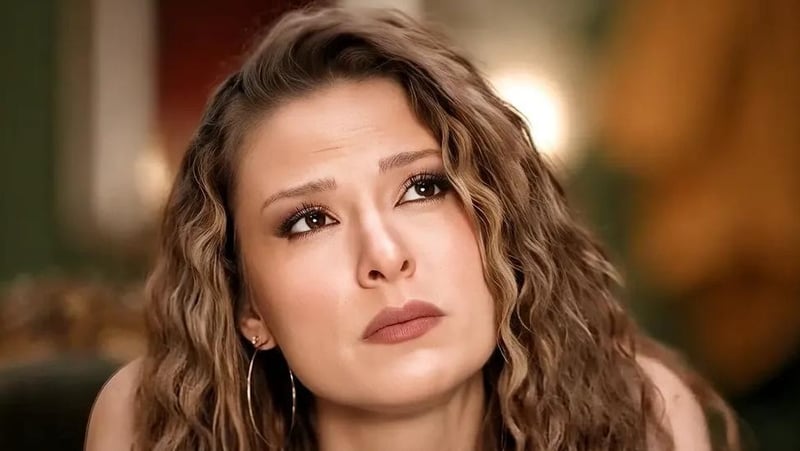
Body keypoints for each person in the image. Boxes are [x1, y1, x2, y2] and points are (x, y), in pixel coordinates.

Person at [85, 6, 739, 451]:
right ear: (247, 305)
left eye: (423, 188)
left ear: (504, 222)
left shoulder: (640, 417)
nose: (385, 255)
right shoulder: (148, 425)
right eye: (309, 220)